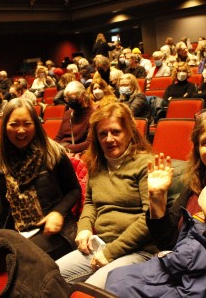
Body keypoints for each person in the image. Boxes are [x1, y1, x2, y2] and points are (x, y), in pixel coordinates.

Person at [106, 104, 206, 297]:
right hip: (185, 272)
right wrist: (157, 198)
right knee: (116, 282)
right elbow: (167, 241)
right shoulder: (195, 186)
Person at [56, 102, 158, 289]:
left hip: (139, 250)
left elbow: (149, 220)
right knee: (49, 276)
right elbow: (90, 202)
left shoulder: (146, 164)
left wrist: (111, 253)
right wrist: (84, 228)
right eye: (103, 134)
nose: (109, 139)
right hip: (101, 245)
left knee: (88, 291)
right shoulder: (97, 164)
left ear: (129, 132)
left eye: (116, 132)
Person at [0, 97, 81, 260]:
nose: (21, 130)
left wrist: (58, 213)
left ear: (36, 125)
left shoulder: (53, 152)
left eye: (27, 124)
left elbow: (74, 190)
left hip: (55, 231)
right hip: (14, 232)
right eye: (14, 124)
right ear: (5, 127)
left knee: (17, 258)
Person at [54, 81, 94, 154]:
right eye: (67, 99)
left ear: (83, 95)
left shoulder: (93, 115)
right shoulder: (67, 114)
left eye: (72, 99)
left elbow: (89, 143)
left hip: (76, 154)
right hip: (62, 152)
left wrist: (64, 148)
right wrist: (54, 147)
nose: (69, 102)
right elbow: (58, 137)